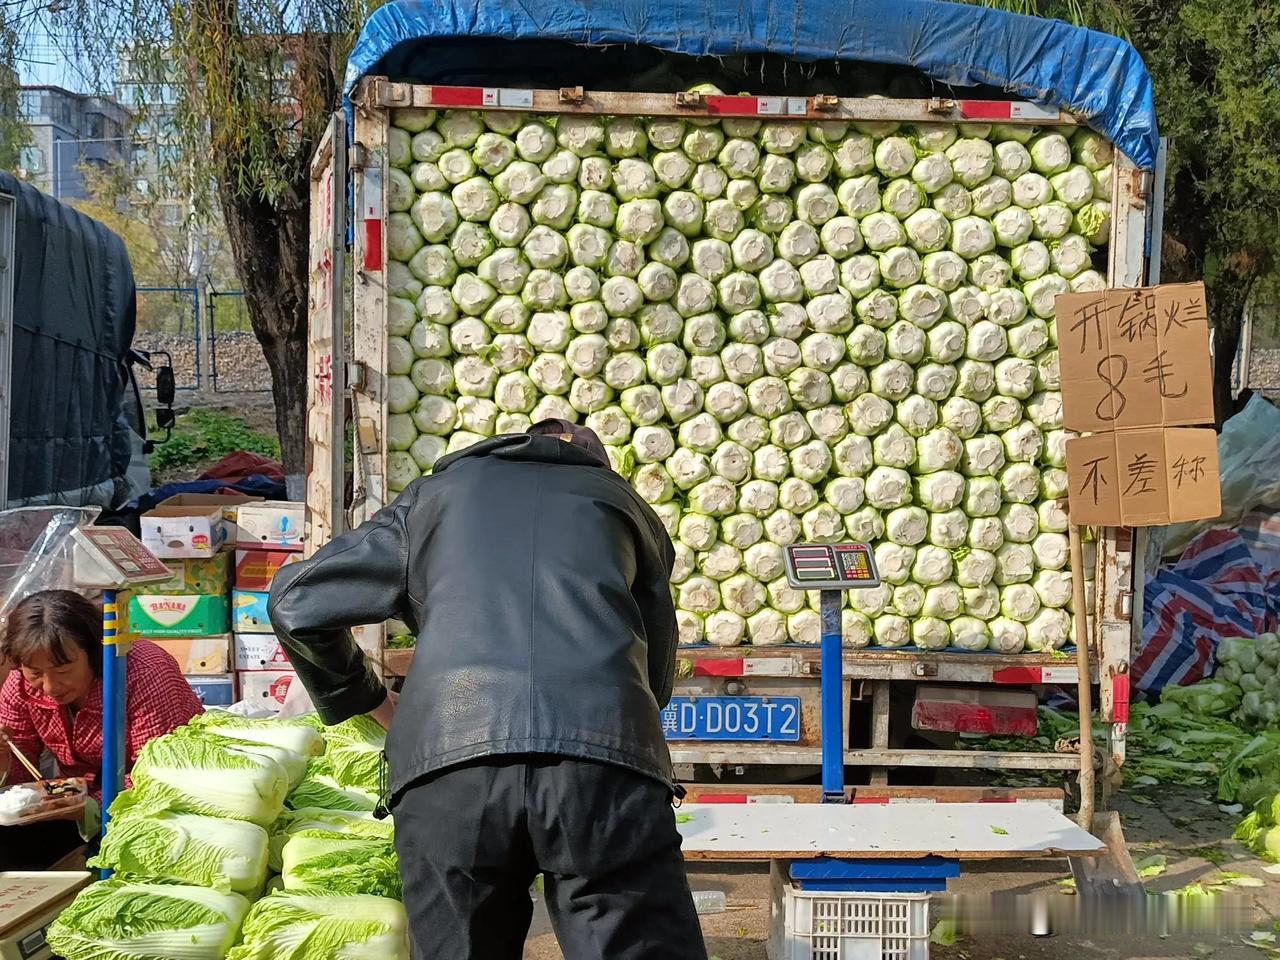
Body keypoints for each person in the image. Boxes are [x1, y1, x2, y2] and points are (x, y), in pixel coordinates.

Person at [269, 419, 706, 960]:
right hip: (602, 769)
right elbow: (655, 669)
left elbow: (296, 602)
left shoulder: (432, 499)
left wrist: (368, 699)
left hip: (450, 771)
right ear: (597, 462)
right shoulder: (623, 504)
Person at [0, 589, 204, 868]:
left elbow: (163, 773)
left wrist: (91, 806)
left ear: (94, 650)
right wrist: (3, 763)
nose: (50, 687)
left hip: (157, 807)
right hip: (74, 808)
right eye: (35, 673)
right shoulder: (19, 686)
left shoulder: (143, 672)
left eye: (63, 671)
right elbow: (20, 786)